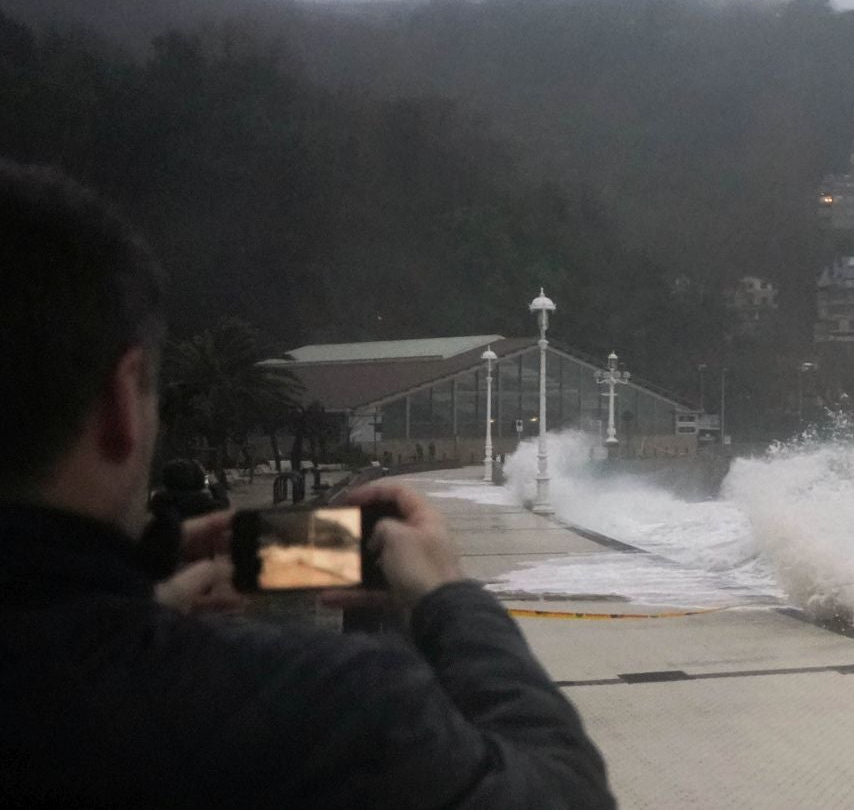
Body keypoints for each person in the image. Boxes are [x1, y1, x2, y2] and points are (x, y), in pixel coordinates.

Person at [0, 161, 614, 808]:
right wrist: (447, 596)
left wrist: (137, 600)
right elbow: (564, 794)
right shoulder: (332, 711)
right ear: (122, 403)